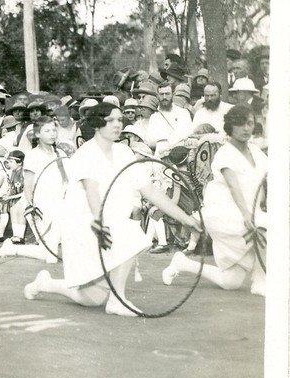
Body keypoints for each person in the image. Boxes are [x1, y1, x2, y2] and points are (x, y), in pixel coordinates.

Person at [23, 103, 202, 317]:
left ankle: (45, 283)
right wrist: (100, 221)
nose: (117, 124)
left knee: (91, 298)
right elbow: (92, 191)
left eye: (119, 120)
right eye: (110, 120)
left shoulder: (124, 152)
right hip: (85, 224)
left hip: (109, 222)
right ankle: (117, 301)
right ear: (97, 124)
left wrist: (185, 218)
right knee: (130, 234)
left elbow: (150, 190)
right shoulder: (85, 153)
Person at [162, 105, 266, 296]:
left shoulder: (257, 153)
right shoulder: (225, 153)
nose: (246, 128)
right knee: (266, 227)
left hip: (249, 213)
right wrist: (247, 215)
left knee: (231, 281)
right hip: (225, 214)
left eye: (250, 123)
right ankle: (261, 282)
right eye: (240, 123)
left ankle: (182, 263)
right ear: (230, 126)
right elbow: (234, 186)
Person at [0, 117, 67, 262]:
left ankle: (12, 249)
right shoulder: (33, 155)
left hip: (59, 204)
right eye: (47, 131)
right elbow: (28, 183)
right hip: (39, 206)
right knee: (50, 256)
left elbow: (67, 179)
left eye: (54, 130)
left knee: (51, 254)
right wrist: (30, 205)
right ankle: (12, 249)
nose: (52, 134)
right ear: (38, 134)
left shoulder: (61, 154)